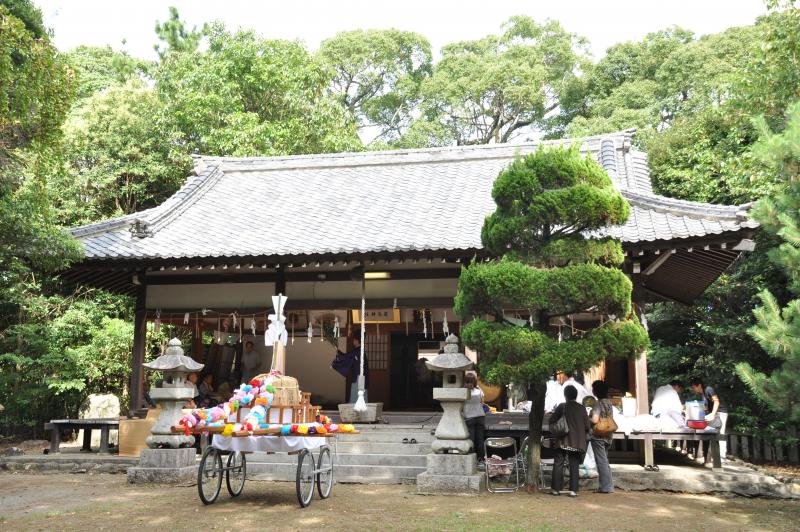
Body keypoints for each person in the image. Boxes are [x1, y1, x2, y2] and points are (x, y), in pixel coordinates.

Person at [550, 385, 591, 497]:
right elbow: (587, 426)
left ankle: (556, 489)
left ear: (565, 395)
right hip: (577, 441)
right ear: (576, 395)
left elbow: (552, 420)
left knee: (559, 463)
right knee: (574, 464)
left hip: (562, 439)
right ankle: (573, 490)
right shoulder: (581, 408)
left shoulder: (562, 407)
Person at [691, 378, 728, 462]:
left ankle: (722, 456)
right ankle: (711, 454)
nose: (693, 389)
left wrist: (713, 414)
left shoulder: (709, 389)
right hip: (713, 413)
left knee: (720, 432)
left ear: (699, 385)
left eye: (694, 387)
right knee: (709, 431)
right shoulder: (703, 393)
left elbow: (716, 401)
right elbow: (706, 406)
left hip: (720, 412)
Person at [589, 380, 615, 494]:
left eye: (593, 388)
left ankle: (606, 487)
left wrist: (586, 419)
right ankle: (608, 485)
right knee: (605, 460)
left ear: (596, 391)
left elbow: (594, 420)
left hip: (598, 435)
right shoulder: (608, 402)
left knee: (601, 461)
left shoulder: (597, 403)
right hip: (608, 434)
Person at [332, 334, 369, 403]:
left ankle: (357, 408)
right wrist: (339, 352)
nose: (353, 341)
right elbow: (348, 357)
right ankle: (362, 407)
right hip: (361, 376)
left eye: (354, 340)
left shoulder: (358, 351)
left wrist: (338, 353)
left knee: (358, 392)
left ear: (357, 341)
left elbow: (346, 357)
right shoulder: (359, 350)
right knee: (360, 392)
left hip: (359, 376)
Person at [464, 372, 486, 460]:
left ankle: (472, 459)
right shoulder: (478, 389)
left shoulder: (463, 391)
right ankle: (481, 458)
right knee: (480, 439)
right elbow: (482, 401)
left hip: (469, 417)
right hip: (480, 416)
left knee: (471, 439)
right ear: (475, 381)